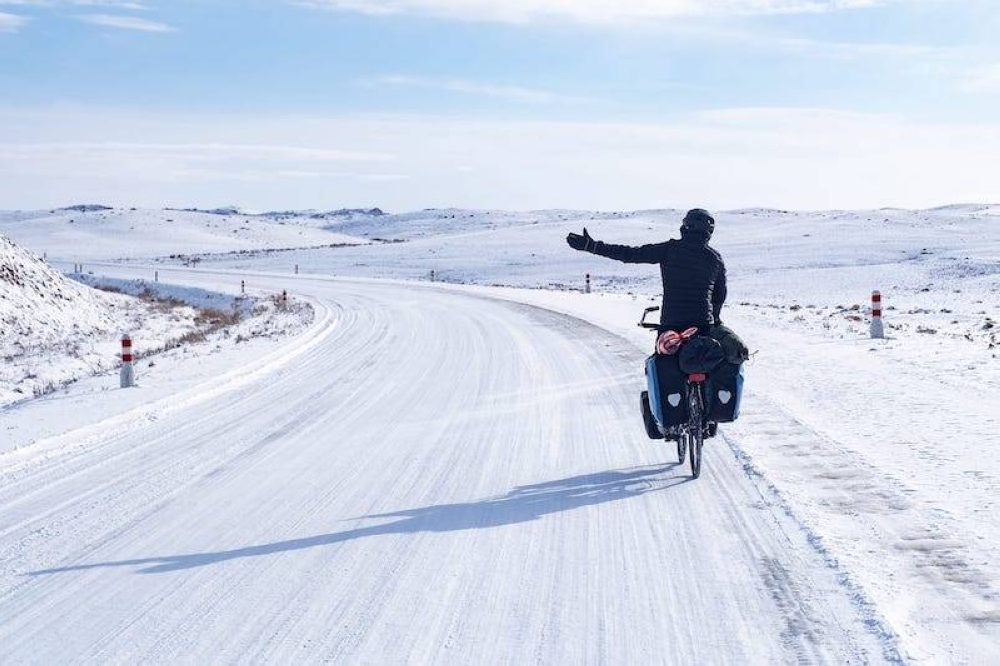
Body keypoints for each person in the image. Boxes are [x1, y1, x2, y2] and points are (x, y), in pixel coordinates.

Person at [566, 208, 726, 332]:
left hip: (672, 324)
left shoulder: (669, 249)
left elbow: (630, 254)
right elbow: (719, 296)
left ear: (686, 227)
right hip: (703, 325)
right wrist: (715, 319)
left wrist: (592, 246)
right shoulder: (715, 259)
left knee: (662, 365)